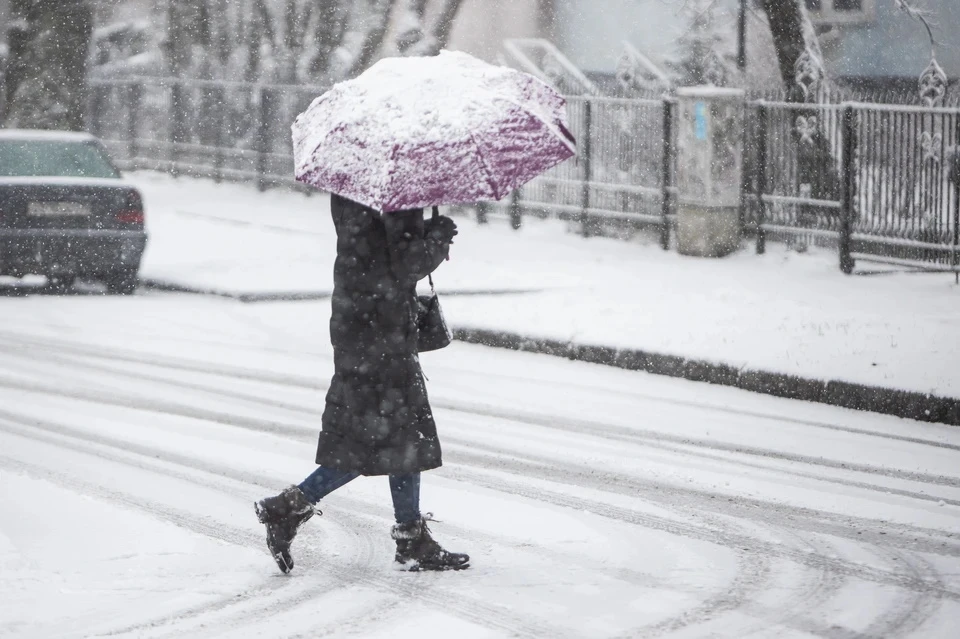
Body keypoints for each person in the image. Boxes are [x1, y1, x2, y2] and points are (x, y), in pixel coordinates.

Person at [255, 193, 467, 573]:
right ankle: (288, 508)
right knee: (378, 438)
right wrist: (437, 237)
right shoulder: (397, 194)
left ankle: (410, 536)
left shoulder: (355, 187)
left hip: (359, 323)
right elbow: (406, 264)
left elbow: (378, 253)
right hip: (382, 332)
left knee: (397, 435)